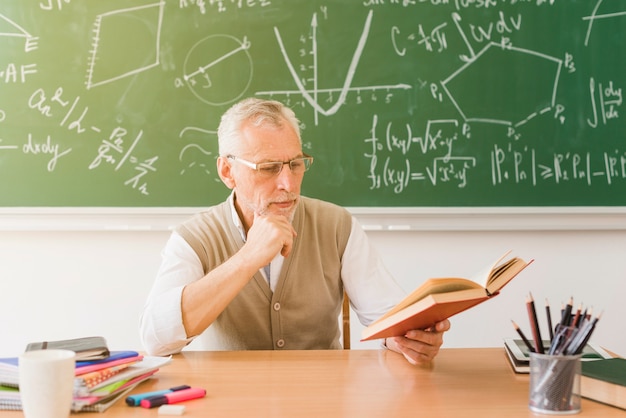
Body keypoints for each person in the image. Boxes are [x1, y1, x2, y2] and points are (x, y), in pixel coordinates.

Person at [139, 97, 450, 365]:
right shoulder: (194, 238)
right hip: (232, 402)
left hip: (323, 400)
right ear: (227, 171)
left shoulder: (337, 225)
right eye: (268, 168)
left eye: (296, 164)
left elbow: (388, 318)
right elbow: (157, 340)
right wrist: (247, 258)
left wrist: (407, 338)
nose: (288, 184)